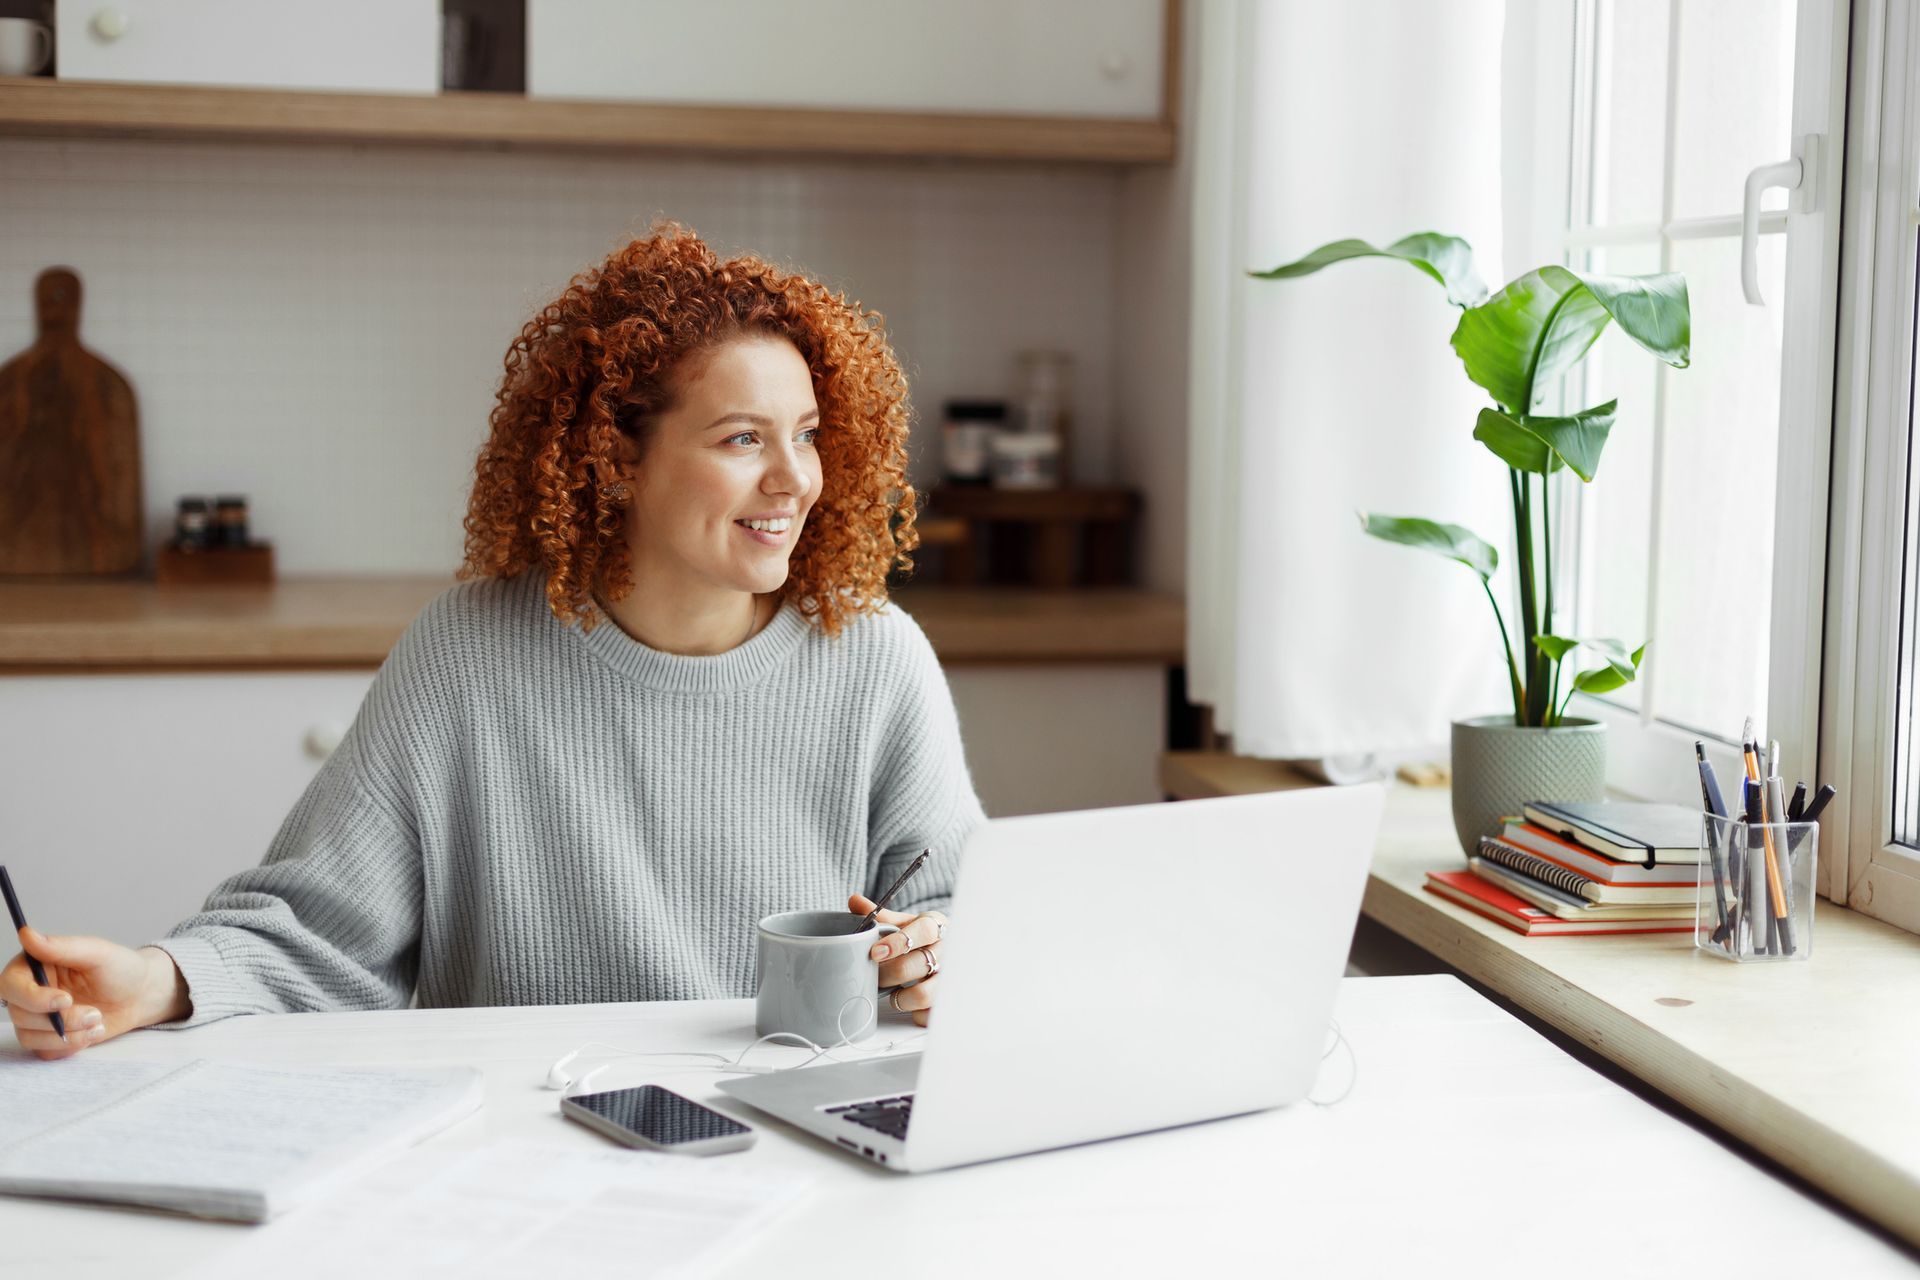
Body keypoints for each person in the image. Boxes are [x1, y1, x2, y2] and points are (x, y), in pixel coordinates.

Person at [4, 223, 984, 1060]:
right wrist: (151, 977)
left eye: (808, 433)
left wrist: (945, 956)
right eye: (741, 439)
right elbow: (317, 927)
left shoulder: (877, 659)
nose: (795, 479)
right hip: (531, 1138)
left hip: (792, 1143)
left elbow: (962, 917)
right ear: (614, 461)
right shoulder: (469, 655)